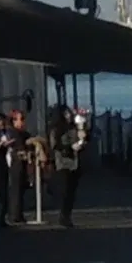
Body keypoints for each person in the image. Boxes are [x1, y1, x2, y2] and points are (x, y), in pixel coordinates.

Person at [51, 97, 90, 227]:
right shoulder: (56, 130)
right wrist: (70, 148)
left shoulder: (74, 128)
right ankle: (63, 216)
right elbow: (55, 145)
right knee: (65, 191)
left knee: (72, 192)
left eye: (69, 113)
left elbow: (83, 139)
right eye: (66, 113)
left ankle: (67, 215)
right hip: (63, 163)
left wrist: (83, 140)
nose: (69, 116)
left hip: (75, 163)